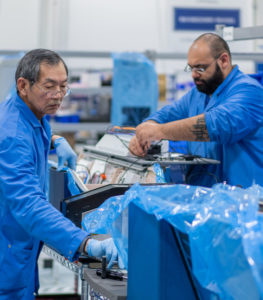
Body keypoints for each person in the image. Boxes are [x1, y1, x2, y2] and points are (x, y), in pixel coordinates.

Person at [0, 49, 119, 300]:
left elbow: (31, 132)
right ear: (23, 85)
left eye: (64, 86)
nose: (58, 95)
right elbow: (29, 205)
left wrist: (54, 140)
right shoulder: (12, 135)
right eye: (49, 86)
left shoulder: (29, 113)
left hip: (18, 245)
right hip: (8, 250)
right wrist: (85, 243)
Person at [129, 33, 263, 188]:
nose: (194, 74)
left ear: (224, 60)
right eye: (191, 68)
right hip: (206, 199)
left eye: (201, 68)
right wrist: (145, 130)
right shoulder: (199, 94)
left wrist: (159, 131)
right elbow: (167, 114)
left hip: (246, 202)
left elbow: (216, 125)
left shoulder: (249, 92)